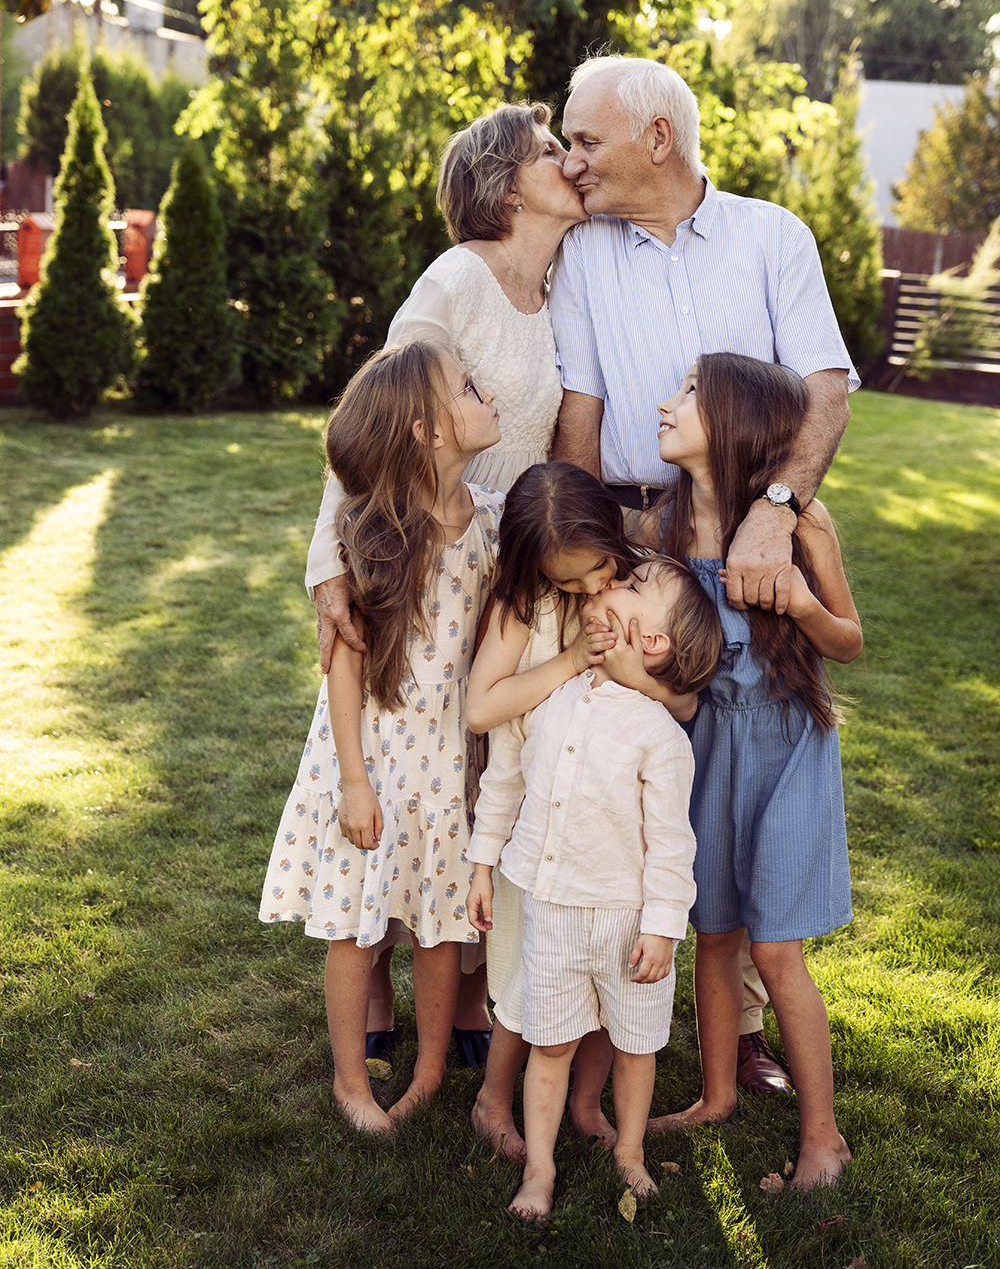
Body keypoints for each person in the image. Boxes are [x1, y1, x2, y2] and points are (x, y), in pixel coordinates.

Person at [548, 52, 862, 1093]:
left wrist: (775, 515)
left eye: (586, 139)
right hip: (643, 534)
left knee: (749, 759)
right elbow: (583, 407)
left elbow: (825, 388)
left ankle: (747, 1033)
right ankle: (597, 1016)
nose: (571, 159)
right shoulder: (584, 252)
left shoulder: (773, 237)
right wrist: (594, 555)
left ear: (657, 137)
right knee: (648, 772)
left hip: (758, 523)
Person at [304, 101, 586, 1063]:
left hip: (498, 558)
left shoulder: (562, 281)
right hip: (418, 554)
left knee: (474, 771)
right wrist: (329, 561)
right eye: (551, 150)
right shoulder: (456, 279)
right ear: (506, 184)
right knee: (400, 762)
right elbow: (378, 413)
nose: (569, 160)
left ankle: (464, 994)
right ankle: (374, 980)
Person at [258, 342, 504, 1131]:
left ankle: (429, 1073)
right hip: (371, 758)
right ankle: (351, 1085)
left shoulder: (493, 523)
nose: (487, 393)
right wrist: (355, 782)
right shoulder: (372, 533)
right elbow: (345, 665)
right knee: (352, 925)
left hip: (448, 763)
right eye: (469, 388)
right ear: (427, 431)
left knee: (440, 923)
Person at [639, 352, 863, 1189]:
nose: (666, 404)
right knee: (714, 931)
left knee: (773, 949)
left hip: (788, 747)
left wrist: (801, 602)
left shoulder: (799, 525)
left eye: (689, 392)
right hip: (705, 749)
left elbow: (850, 641)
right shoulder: (663, 529)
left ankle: (822, 1136)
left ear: (736, 424)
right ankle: (717, 1096)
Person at [467, 557, 723, 1219]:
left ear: (652, 640)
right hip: (553, 912)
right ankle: (540, 1169)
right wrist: (482, 864)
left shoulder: (660, 736)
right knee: (550, 1043)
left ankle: (630, 1152)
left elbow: (672, 845)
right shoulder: (552, 693)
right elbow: (505, 780)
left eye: (632, 587)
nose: (612, 584)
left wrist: (663, 927)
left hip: (628, 924)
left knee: (635, 1045)